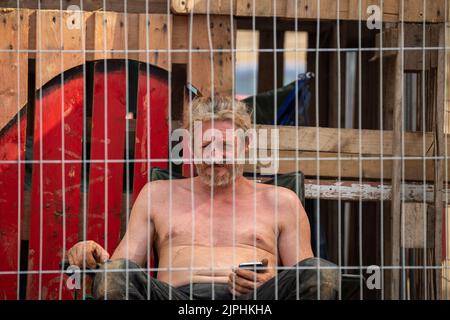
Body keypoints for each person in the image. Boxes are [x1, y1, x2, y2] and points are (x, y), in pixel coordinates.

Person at [67, 95, 338, 300]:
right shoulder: (158, 195)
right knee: (114, 276)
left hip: (255, 302)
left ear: (246, 145)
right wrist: (93, 257)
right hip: (177, 299)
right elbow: (120, 268)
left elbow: (303, 275)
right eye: (206, 145)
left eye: (226, 146)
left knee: (321, 273)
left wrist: (269, 280)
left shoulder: (282, 201)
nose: (215, 156)